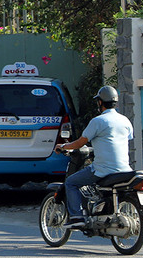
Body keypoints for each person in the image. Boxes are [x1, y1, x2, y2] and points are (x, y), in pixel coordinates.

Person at [55, 85, 133, 227]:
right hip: (125, 170)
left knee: (71, 182)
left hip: (103, 170)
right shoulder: (125, 121)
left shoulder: (98, 121)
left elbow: (80, 143)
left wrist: (63, 146)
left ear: (100, 102)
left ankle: (77, 217)